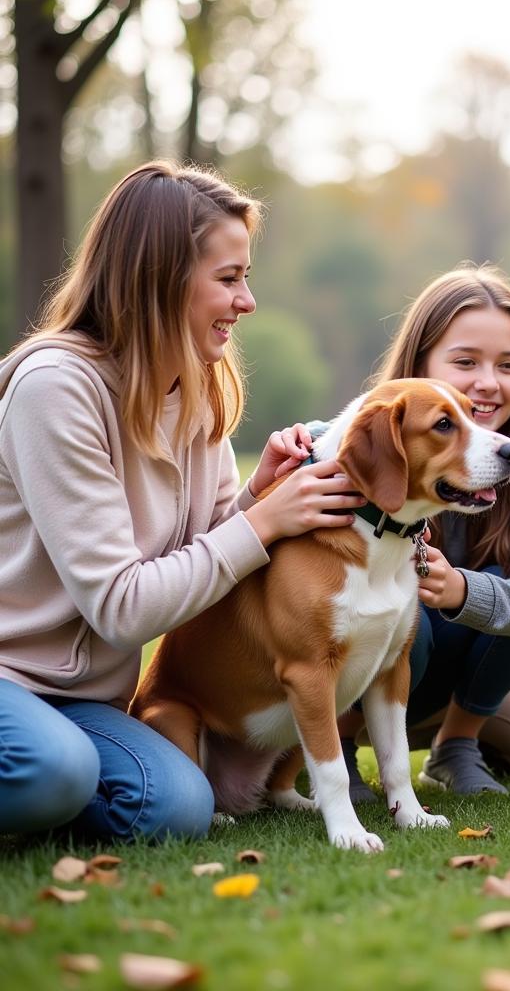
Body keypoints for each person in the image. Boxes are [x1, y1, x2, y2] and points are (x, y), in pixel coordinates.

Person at [0, 161, 366, 841]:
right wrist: (261, 523)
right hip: (9, 677)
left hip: (84, 700)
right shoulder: (56, 389)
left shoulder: (197, 389)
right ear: (158, 281)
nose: (246, 301)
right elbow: (124, 609)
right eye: (228, 279)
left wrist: (259, 494)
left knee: (175, 808)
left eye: (245, 277)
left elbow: (202, 559)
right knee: (55, 771)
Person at [339, 266, 510, 796]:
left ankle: (457, 744)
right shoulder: (357, 446)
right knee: (400, 599)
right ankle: (339, 746)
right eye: (465, 362)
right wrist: (264, 486)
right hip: (350, 676)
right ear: (420, 365)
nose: (489, 382)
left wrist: (462, 590)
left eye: (508, 365)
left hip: (451, 682)